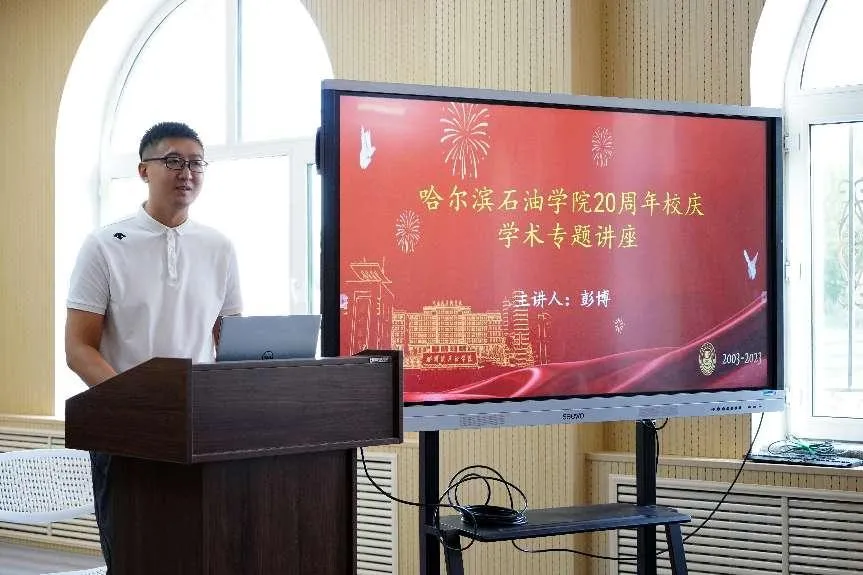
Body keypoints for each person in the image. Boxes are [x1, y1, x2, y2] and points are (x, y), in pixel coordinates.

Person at [64, 121, 242, 572]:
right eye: (174, 161)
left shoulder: (219, 247)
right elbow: (78, 348)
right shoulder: (104, 245)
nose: (187, 173)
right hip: (126, 430)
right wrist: (136, 403)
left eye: (196, 163)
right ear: (144, 170)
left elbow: (231, 341)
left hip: (199, 429)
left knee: (199, 554)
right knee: (134, 556)